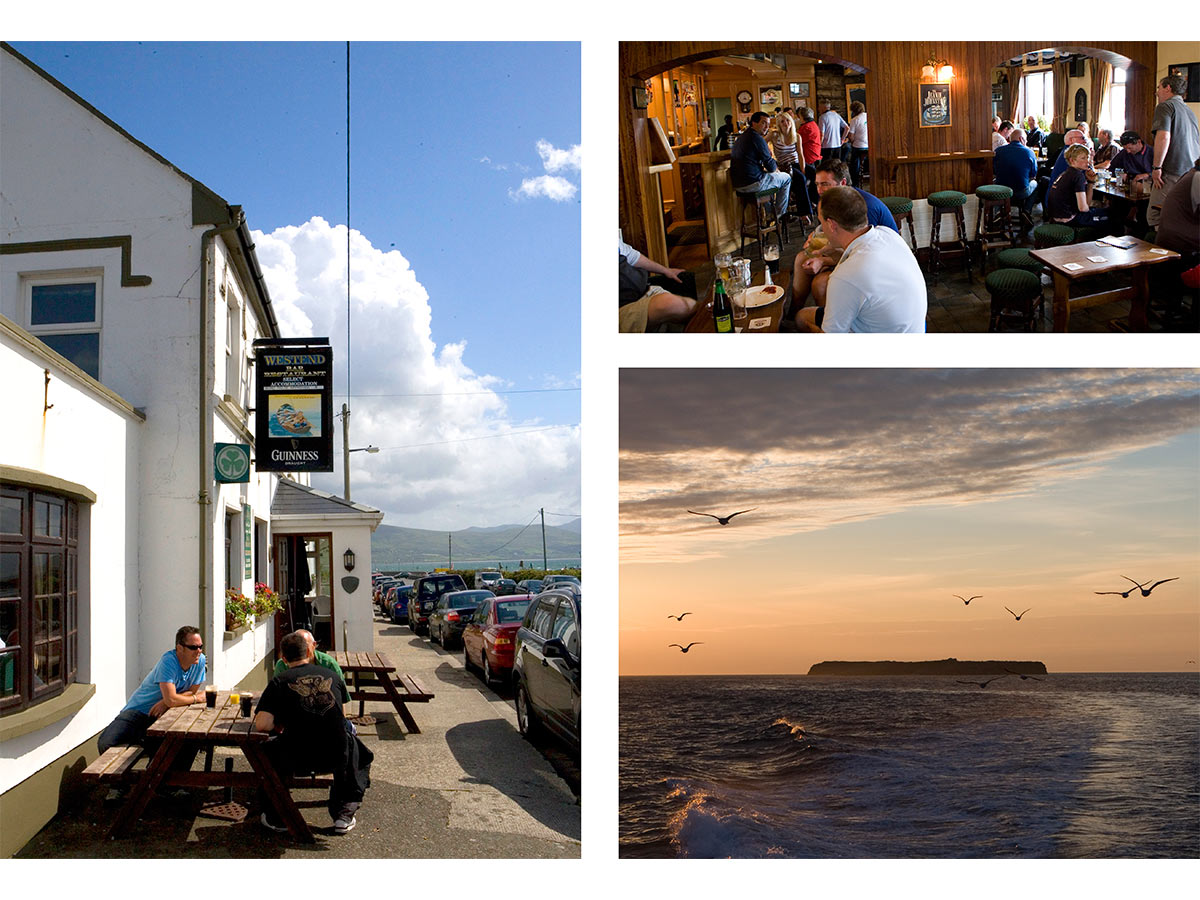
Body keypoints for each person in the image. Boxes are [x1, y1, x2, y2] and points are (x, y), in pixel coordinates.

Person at [254, 632, 373, 835]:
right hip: (336, 756)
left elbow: (262, 725)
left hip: (296, 758)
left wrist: (279, 721)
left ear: (283, 658)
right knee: (357, 749)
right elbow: (341, 718)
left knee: (262, 751)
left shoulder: (279, 681)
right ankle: (343, 814)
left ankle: (278, 814)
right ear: (309, 651)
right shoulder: (333, 676)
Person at [795, 187, 926, 333]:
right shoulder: (887, 234)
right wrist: (834, 253)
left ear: (832, 225)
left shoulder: (844, 277)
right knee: (802, 316)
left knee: (803, 319)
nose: (821, 230)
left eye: (821, 223)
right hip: (915, 328)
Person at [96, 626, 207, 794]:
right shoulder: (168, 661)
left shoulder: (200, 662)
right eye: (193, 647)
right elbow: (192, 695)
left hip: (165, 716)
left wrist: (167, 702)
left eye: (200, 646)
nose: (198, 651)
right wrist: (184, 699)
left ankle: (167, 786)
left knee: (187, 741)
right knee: (106, 741)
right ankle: (118, 786)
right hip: (138, 711)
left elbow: (189, 691)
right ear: (180, 648)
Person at [790, 158, 899, 310]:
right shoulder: (837, 201)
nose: (819, 190)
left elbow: (862, 255)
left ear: (842, 183)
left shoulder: (863, 207)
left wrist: (823, 261)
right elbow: (829, 229)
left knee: (820, 284)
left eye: (825, 184)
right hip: (855, 252)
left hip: (880, 265)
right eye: (817, 184)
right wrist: (814, 237)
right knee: (801, 258)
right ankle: (793, 313)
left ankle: (831, 326)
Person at [1148, 74, 1200, 228]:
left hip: (1172, 170)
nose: (1157, 92)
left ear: (1168, 88)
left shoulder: (1165, 106)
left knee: (1154, 216)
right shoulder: (1189, 111)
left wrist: (1157, 167)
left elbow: (1163, 137)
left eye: (1159, 88)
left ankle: (1163, 249)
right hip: (1191, 172)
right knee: (1180, 212)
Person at [618, 239, 696, 332]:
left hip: (646, 291)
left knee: (691, 307)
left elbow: (633, 256)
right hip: (623, 309)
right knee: (674, 304)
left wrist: (666, 271)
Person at [730, 111, 791, 218]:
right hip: (753, 184)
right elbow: (771, 167)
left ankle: (770, 214)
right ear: (754, 123)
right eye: (763, 123)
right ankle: (779, 215)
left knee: (769, 183)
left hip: (738, 186)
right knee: (786, 178)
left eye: (768, 124)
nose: (767, 127)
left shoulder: (742, 137)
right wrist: (774, 166)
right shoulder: (757, 138)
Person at [1045, 144, 1112, 232]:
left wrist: (1091, 182)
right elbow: (1083, 208)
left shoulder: (1066, 173)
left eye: (1088, 157)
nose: (1087, 162)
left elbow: (1085, 206)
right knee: (1111, 217)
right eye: (1083, 158)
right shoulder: (1078, 175)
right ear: (1072, 160)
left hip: (1055, 217)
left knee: (1100, 211)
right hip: (1069, 219)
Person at [273, 629, 350, 704]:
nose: (300, 649)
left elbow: (341, 697)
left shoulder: (329, 663)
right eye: (297, 645)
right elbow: (276, 695)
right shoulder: (283, 664)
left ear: (314, 645)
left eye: (304, 645)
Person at [993, 128, 1039, 228]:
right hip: (1021, 192)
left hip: (1002, 192)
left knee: (996, 182)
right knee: (1035, 183)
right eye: (1025, 139)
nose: (1026, 142)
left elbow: (994, 171)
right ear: (1022, 139)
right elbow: (1033, 175)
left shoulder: (998, 151)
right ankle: (1026, 211)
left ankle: (997, 212)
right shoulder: (1029, 153)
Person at [797, 107, 823, 207]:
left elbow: (796, 142)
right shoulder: (813, 124)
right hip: (815, 155)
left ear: (801, 116)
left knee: (810, 181)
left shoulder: (806, 128)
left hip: (809, 157)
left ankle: (812, 202)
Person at [847, 101, 869, 188]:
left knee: (854, 165)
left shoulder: (854, 120)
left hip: (859, 146)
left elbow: (851, 136)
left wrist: (852, 141)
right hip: (869, 146)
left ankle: (855, 183)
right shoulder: (868, 116)